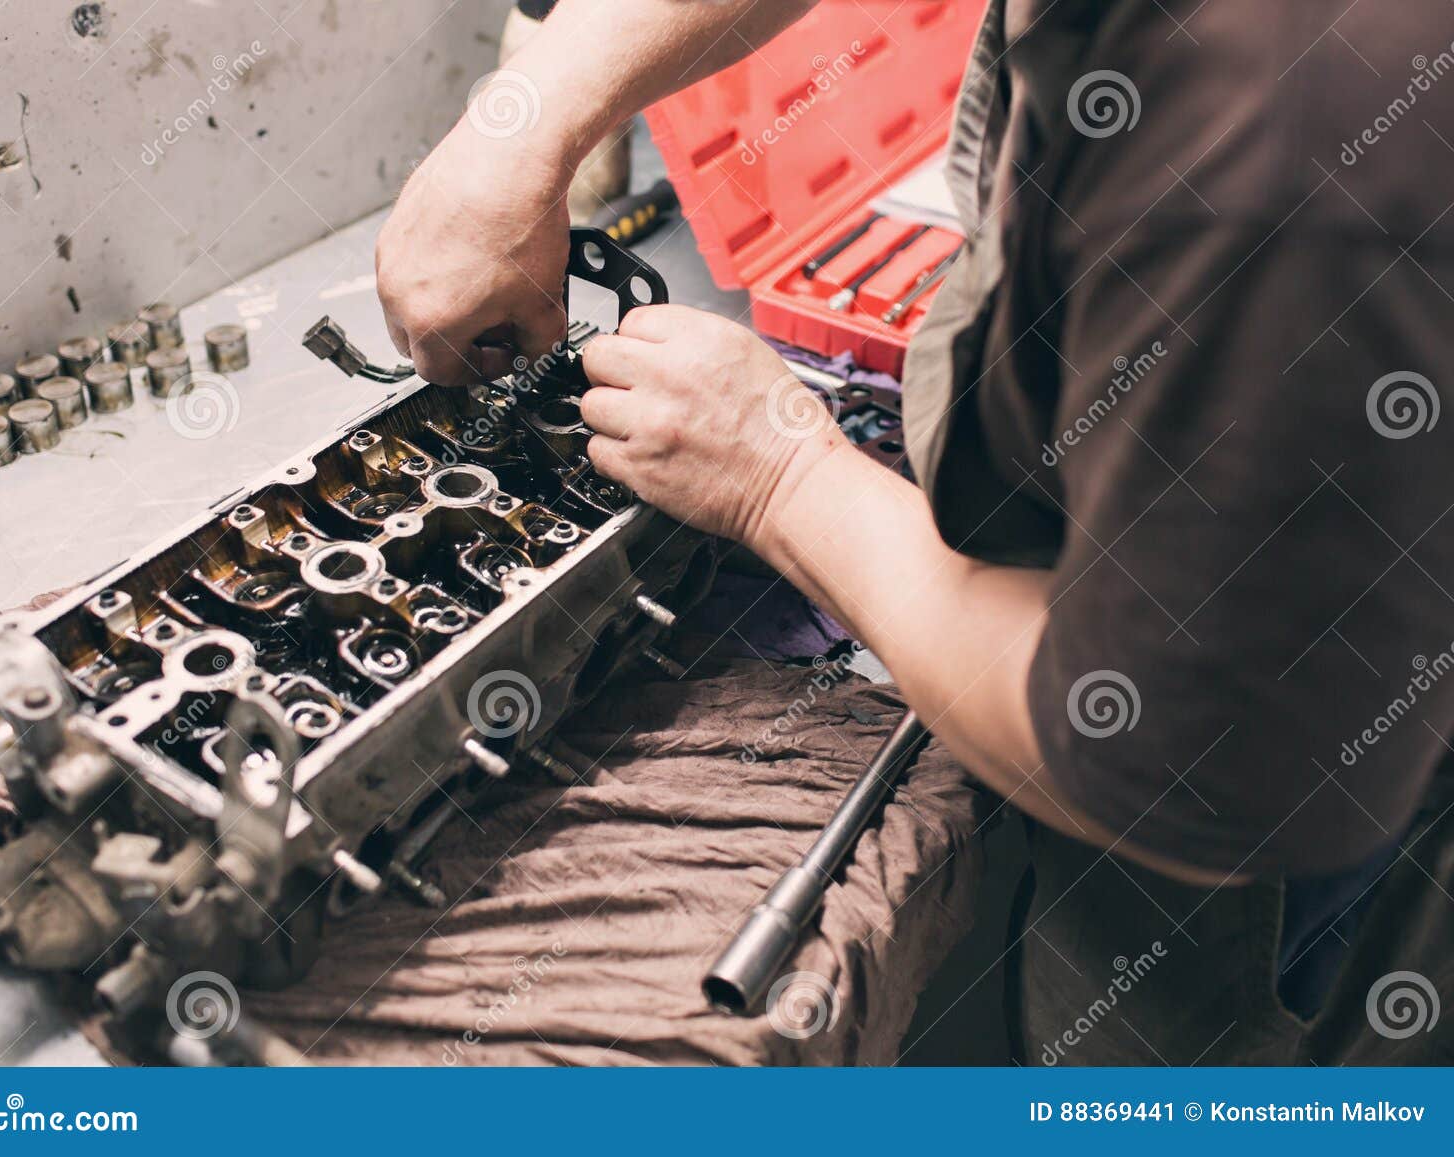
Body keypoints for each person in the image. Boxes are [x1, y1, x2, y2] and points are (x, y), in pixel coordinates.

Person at [377, 0, 1454, 1064]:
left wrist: (781, 474)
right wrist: (523, 122)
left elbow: (1186, 763)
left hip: (1295, 854)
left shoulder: (1292, 122)